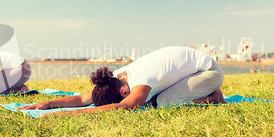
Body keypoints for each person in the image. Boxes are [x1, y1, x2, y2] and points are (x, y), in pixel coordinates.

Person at [20, 46, 227, 116]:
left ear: (123, 93)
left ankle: (213, 97)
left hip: (209, 72)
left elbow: (124, 107)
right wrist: (49, 104)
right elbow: (84, 98)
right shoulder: (119, 75)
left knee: (162, 103)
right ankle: (204, 93)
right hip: (192, 68)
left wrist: (69, 116)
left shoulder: (142, 80)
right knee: (151, 100)